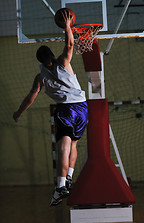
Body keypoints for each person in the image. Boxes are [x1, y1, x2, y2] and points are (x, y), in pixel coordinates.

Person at [13, 10, 88, 206]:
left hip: (65, 110)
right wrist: (67, 27)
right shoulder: (64, 62)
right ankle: (69, 176)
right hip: (82, 108)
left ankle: (60, 186)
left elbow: (30, 98)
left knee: (63, 144)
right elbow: (70, 44)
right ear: (52, 55)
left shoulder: (40, 78)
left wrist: (18, 113)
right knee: (73, 144)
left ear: (40, 61)